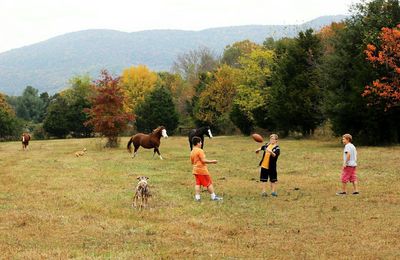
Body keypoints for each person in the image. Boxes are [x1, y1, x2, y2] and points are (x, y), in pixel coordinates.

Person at [190, 136, 222, 201]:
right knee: (208, 183)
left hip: (195, 170)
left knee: (198, 184)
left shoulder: (192, 151)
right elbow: (203, 160)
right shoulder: (200, 151)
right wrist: (213, 161)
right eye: (200, 142)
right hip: (202, 171)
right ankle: (213, 197)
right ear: (198, 143)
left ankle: (197, 197)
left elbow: (192, 162)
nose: (201, 143)